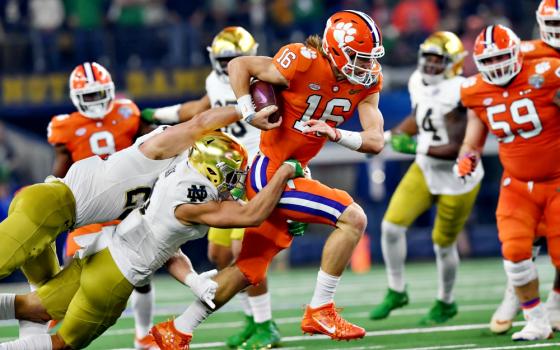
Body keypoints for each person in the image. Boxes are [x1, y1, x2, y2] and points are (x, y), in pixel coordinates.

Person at [150, 10, 385, 349]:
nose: (365, 66)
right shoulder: (303, 59)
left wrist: (334, 133)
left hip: (293, 172)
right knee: (353, 218)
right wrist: (248, 111)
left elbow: (375, 141)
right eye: (358, 57)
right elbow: (239, 66)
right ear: (335, 48)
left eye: (369, 59)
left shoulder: (366, 82)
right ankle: (321, 307)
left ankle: (178, 330)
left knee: (248, 268)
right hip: (270, 172)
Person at [0, 132, 304, 350]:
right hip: (116, 277)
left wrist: (193, 280)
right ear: (212, 171)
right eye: (232, 174)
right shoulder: (196, 201)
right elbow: (252, 213)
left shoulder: (177, 173)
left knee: (35, 306)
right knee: (61, 343)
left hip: (99, 255)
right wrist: (286, 173)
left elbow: (169, 250)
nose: (236, 182)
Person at [0, 101, 277, 286]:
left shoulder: (171, 180)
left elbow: (167, 242)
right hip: (53, 204)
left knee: (48, 303)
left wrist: (193, 280)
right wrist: (247, 111)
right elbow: (199, 121)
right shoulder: (156, 150)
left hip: (62, 217)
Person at [141, 27, 287, 349]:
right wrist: (156, 114)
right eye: (225, 59)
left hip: (255, 167)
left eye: (236, 58)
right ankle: (251, 318)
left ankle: (266, 324)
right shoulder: (213, 80)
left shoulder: (263, 80)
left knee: (240, 251)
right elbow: (199, 110)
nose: (230, 63)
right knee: (218, 254)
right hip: (222, 172)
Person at [369, 31, 483, 325]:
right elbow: (421, 116)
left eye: (438, 60)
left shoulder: (463, 90)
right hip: (425, 168)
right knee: (391, 227)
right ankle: (397, 290)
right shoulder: (417, 81)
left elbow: (458, 148)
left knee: (442, 246)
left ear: (454, 63)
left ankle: (446, 302)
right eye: (428, 59)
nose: (431, 66)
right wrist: (390, 136)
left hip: (458, 177)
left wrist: (414, 145)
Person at [44, 61, 158, 348]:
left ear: (110, 91)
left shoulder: (128, 112)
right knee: (72, 269)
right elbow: (60, 168)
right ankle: (56, 316)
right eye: (89, 96)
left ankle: (143, 335)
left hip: (128, 204)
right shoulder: (64, 127)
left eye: (99, 94)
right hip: (90, 208)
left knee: (141, 275)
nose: (96, 102)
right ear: (76, 97)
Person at [458, 24, 560, 341]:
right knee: (514, 252)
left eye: (501, 58)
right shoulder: (474, 90)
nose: (495, 67)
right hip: (516, 183)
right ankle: (536, 319)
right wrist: (467, 158)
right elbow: (472, 141)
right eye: (487, 61)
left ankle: (554, 306)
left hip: (557, 180)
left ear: (517, 54)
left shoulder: (547, 73)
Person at [491, 0, 560, 334]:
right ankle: (514, 296)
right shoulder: (524, 53)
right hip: (530, 157)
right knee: (523, 237)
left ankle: (556, 301)